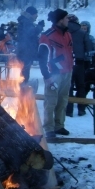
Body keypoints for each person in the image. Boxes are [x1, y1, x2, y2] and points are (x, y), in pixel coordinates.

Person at [38, 9, 73, 138]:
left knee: (63, 100)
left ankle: (59, 125)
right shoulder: (47, 36)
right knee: (51, 101)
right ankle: (48, 128)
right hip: (53, 74)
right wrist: (46, 76)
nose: (68, 20)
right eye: (66, 18)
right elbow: (42, 58)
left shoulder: (68, 34)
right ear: (60, 20)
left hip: (67, 72)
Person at [65, 15, 94, 117]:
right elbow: (89, 48)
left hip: (67, 62)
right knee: (81, 85)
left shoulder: (63, 32)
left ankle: (69, 110)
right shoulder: (83, 33)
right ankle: (81, 109)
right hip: (80, 62)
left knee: (69, 86)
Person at [16, 6, 45, 84]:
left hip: (24, 51)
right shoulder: (26, 22)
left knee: (24, 71)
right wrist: (40, 27)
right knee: (25, 71)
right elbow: (31, 33)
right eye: (36, 14)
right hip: (25, 51)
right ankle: (23, 89)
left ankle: (23, 88)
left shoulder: (25, 21)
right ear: (31, 14)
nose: (37, 16)